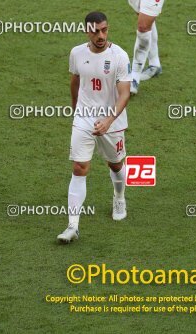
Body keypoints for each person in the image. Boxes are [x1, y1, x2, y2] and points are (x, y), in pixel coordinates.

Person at [57, 12, 131, 243]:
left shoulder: (119, 56)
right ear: (87, 31)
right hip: (84, 117)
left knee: (116, 164)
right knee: (79, 167)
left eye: (104, 30)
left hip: (113, 120)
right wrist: (75, 111)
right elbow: (75, 81)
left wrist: (108, 120)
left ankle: (119, 197)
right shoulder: (76, 53)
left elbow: (125, 93)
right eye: (96, 31)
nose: (101, 35)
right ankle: (72, 226)